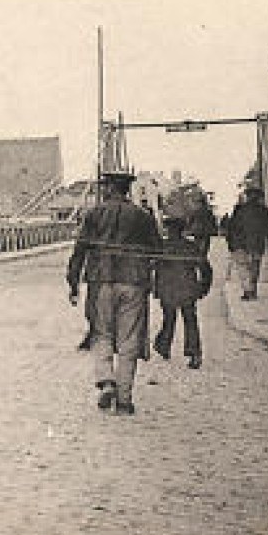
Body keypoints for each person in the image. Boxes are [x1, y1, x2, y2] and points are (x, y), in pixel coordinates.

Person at [66, 170, 161, 415]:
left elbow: (80, 250)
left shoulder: (94, 214)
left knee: (102, 333)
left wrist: (73, 282)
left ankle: (106, 380)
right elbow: (157, 250)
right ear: (127, 190)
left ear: (108, 188)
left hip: (102, 280)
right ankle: (124, 399)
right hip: (133, 282)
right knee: (129, 339)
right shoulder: (143, 216)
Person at [153, 215, 213, 369]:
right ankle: (193, 352)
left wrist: (155, 287)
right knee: (190, 320)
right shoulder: (190, 247)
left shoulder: (162, 246)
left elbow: (153, 267)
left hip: (168, 289)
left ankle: (163, 345)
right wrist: (203, 287)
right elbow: (205, 268)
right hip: (187, 289)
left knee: (169, 319)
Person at [225, 185, 268, 300]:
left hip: (240, 244)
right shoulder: (264, 210)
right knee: (254, 268)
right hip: (256, 244)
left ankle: (248, 290)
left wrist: (230, 243)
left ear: (247, 196)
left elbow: (231, 227)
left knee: (243, 268)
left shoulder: (239, 209)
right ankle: (251, 290)